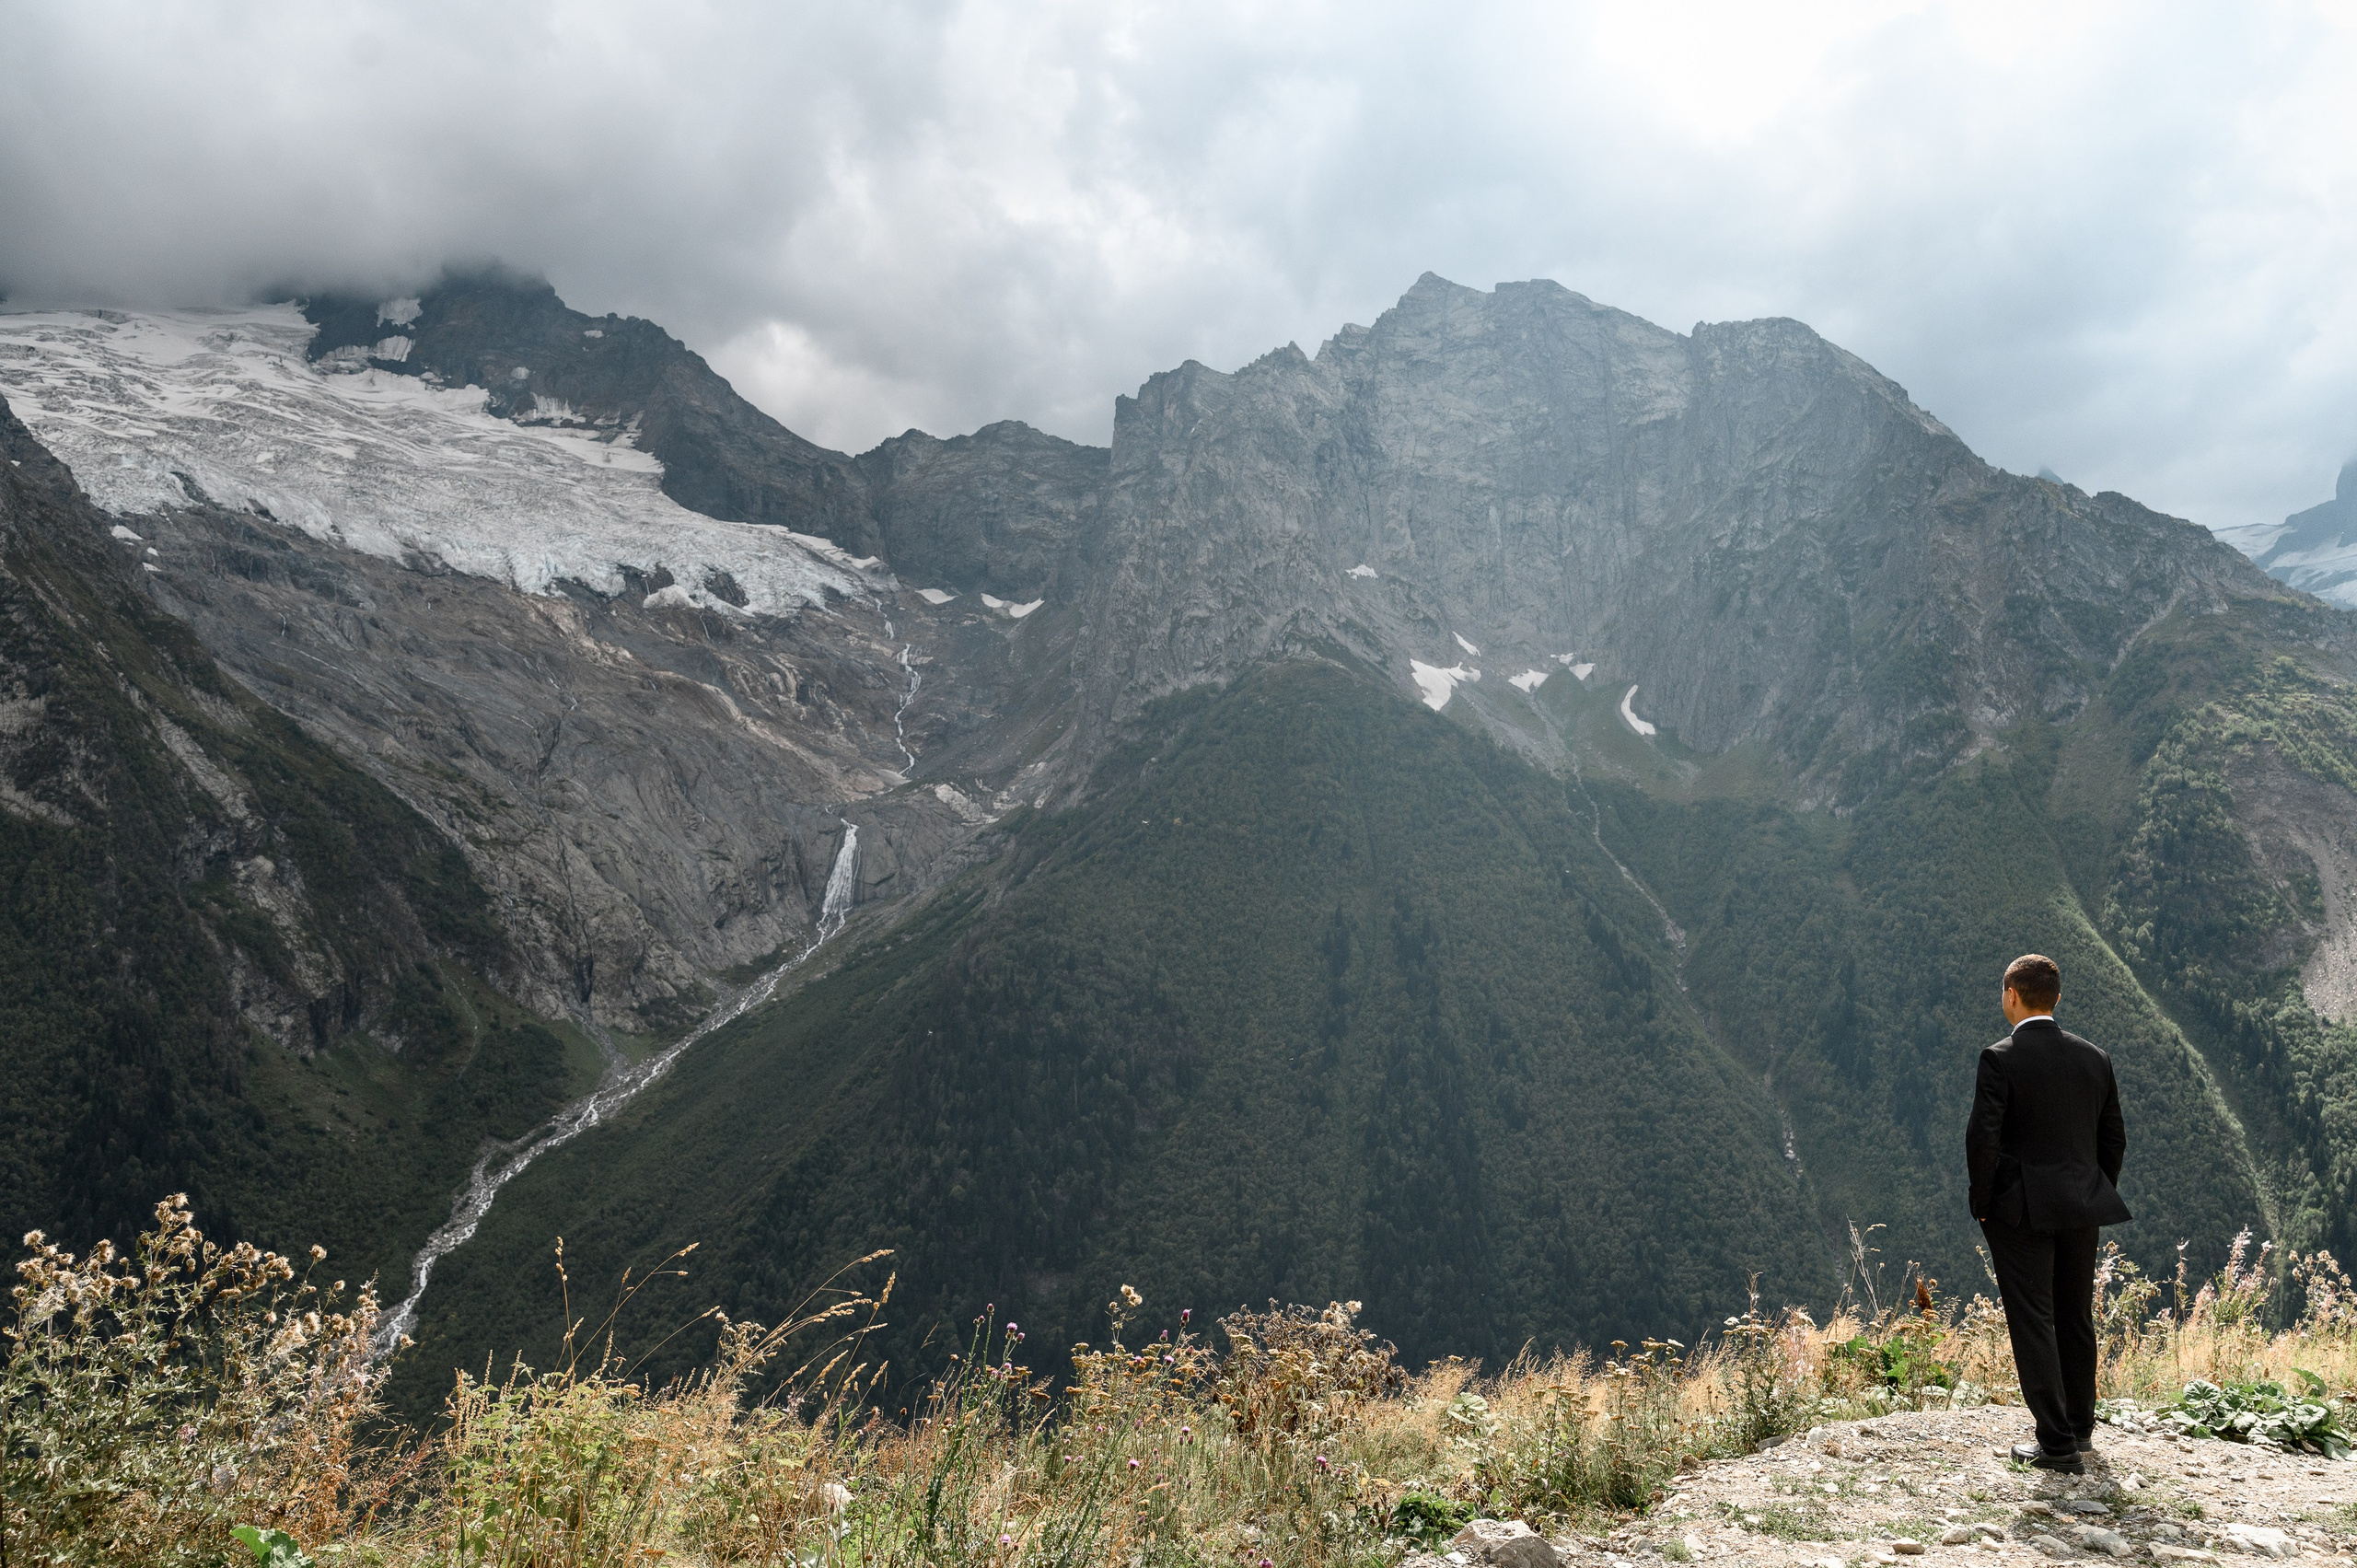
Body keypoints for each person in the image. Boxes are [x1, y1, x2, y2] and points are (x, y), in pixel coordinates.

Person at [1965, 953, 2130, 1475]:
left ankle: (2054, 1444)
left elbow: (1983, 1140)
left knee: (2034, 1318)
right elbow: (2114, 1140)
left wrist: (1985, 1203)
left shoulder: (2000, 1058)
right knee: (2074, 1315)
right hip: (2083, 1206)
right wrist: (2091, 1190)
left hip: (2022, 1212)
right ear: (2055, 998)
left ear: (2012, 994)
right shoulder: (2095, 1058)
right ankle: (2080, 1428)